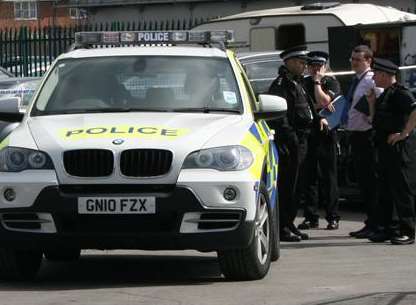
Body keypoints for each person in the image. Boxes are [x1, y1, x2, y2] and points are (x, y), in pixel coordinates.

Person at [268, 45, 328, 242]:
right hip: (290, 142)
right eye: (301, 62)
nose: (304, 66)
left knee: (297, 187)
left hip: (303, 140)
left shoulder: (298, 82)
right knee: (288, 186)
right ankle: (282, 227)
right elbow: (280, 117)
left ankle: (290, 222)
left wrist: (318, 117)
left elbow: (308, 105)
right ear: (289, 62)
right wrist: (292, 139)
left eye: (305, 63)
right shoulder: (281, 84)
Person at [366, 58, 416, 245]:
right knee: (385, 191)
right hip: (384, 149)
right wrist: (371, 102)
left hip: (398, 149)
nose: (374, 78)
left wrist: (404, 133)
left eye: (376, 74)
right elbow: (375, 120)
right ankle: (388, 229)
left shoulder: (400, 93)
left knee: (402, 191)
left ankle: (408, 231)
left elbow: (414, 110)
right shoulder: (385, 94)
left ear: (386, 75)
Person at [299, 51, 341, 230]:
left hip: (327, 135)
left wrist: (317, 83)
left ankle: (333, 216)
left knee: (328, 177)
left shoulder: (330, 82)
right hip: (309, 133)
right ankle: (311, 217)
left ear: (325, 66)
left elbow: (325, 100)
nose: (315, 69)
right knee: (309, 177)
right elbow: (304, 105)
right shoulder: (303, 83)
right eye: (312, 66)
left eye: (319, 66)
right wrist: (319, 106)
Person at [344, 45, 379, 239]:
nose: (353, 62)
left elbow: (379, 99)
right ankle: (370, 221)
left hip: (366, 136)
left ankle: (375, 223)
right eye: (352, 59)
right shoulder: (358, 80)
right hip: (356, 135)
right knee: (364, 183)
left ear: (368, 61)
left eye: (358, 59)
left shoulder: (371, 80)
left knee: (370, 182)